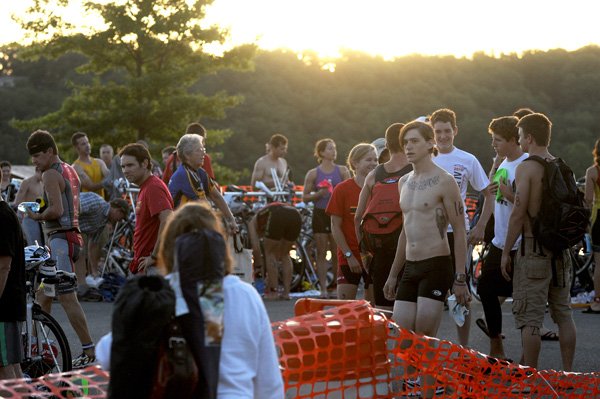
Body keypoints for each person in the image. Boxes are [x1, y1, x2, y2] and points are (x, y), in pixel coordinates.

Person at [96, 202, 284, 398]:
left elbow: (107, 352)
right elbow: (269, 385)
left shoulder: (163, 293)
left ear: (169, 249)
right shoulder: (243, 295)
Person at [500, 113, 577, 371]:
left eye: (520, 136)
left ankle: (530, 377)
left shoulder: (527, 168)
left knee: (530, 320)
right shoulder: (563, 167)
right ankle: (568, 374)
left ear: (529, 138)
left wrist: (505, 253)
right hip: (561, 252)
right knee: (564, 314)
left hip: (533, 250)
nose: (520, 140)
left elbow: (519, 214)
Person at [25, 130, 96, 368]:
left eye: (36, 156)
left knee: (67, 297)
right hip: (70, 239)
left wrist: (36, 215)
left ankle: (89, 352)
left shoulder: (49, 174)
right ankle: (38, 346)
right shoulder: (68, 168)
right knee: (42, 296)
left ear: (49, 151)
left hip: (61, 241)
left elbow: (56, 211)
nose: (34, 161)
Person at [429, 108, 494, 347]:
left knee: (460, 294)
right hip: (428, 236)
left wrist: (480, 226)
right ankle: (429, 350)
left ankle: (463, 350)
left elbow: (489, 194)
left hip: (457, 234)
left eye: (447, 131)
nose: (443, 136)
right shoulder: (425, 158)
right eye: (438, 132)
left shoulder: (467, 159)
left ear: (455, 131)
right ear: (432, 133)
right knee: (430, 296)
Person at [475, 116, 528, 360]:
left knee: (524, 303)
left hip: (519, 244)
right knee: (485, 289)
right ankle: (497, 350)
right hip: (499, 241)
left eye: (497, 140)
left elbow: (529, 206)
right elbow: (492, 198)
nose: (493, 145)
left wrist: (508, 193)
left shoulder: (526, 164)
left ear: (511, 140)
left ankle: (531, 365)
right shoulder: (504, 162)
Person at [355, 123, 412, 309]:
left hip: (379, 248)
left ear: (386, 144)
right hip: (410, 249)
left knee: (384, 310)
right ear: (406, 142)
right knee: (408, 309)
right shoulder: (415, 171)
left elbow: (358, 217)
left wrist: (366, 251)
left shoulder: (374, 175)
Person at [327, 143, 378, 301]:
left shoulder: (380, 188)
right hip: (349, 256)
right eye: (368, 159)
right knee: (344, 308)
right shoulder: (342, 189)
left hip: (375, 257)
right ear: (355, 163)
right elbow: (335, 226)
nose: (374, 163)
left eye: (375, 159)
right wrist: (349, 255)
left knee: (374, 311)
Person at [302, 139, 350, 297]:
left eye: (334, 148)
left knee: (337, 250)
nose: (333, 151)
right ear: (321, 152)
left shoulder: (342, 170)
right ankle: (322, 288)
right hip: (320, 213)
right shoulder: (313, 173)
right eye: (330, 149)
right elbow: (305, 197)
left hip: (337, 213)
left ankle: (337, 285)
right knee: (321, 251)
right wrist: (318, 194)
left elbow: (350, 190)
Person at [120, 143, 174, 274]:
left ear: (144, 163)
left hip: (153, 266)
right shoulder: (145, 186)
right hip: (144, 264)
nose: (125, 170)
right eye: (123, 166)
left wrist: (154, 256)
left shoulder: (153, 187)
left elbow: (167, 219)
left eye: (130, 165)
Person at [168, 133, 237, 234]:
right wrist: (220, 226)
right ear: (187, 155)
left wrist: (231, 219)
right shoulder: (185, 174)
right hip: (180, 228)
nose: (203, 154)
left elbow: (216, 196)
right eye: (199, 150)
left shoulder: (199, 171)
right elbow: (203, 205)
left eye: (203, 150)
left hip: (190, 223)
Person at [0, 165, 26, 380]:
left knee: (5, 369)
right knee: (12, 367)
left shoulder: (1, 216)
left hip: (4, 306)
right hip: (9, 304)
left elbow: (3, 265)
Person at [248, 202, 302, 300]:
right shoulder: (264, 216)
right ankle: (286, 293)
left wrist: (259, 267)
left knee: (269, 253)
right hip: (295, 214)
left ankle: (273, 291)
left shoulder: (252, 223)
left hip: (277, 214)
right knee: (285, 254)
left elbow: (256, 248)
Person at [77, 192, 129, 288]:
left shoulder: (103, 221)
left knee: (80, 251)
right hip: (59, 222)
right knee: (79, 251)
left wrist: (94, 272)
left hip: (74, 228)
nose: (120, 221)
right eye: (121, 217)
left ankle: (81, 285)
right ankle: (79, 287)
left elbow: (93, 245)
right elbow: (73, 206)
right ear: (118, 211)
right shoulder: (97, 203)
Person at [583, 138, 600, 313]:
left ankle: (597, 300)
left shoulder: (592, 171)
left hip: (599, 218)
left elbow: (588, 199)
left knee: (599, 263)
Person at [71, 132, 109, 198]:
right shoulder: (76, 167)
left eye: (87, 142)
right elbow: (91, 186)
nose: (87, 145)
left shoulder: (99, 162)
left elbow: (108, 174)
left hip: (102, 204)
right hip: (88, 206)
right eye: (83, 144)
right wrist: (108, 181)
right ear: (77, 148)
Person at [13, 168, 44, 246]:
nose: (44, 175)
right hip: (28, 217)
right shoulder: (27, 182)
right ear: (37, 171)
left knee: (42, 246)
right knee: (34, 245)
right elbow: (17, 202)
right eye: (42, 173)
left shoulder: (42, 183)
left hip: (41, 217)